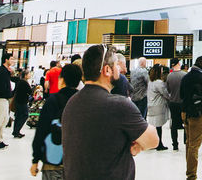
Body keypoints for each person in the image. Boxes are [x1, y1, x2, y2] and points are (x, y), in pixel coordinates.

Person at [60, 45, 158, 180]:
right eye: (116, 65)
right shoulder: (119, 105)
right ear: (107, 70)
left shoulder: (72, 103)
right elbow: (153, 139)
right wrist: (136, 145)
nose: (119, 68)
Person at [30, 63, 81, 180]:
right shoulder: (81, 101)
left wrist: (35, 160)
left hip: (53, 162)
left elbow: (41, 131)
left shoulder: (52, 101)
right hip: (76, 164)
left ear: (62, 80)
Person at [179, 56, 202, 180]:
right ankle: (191, 175)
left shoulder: (186, 76)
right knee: (194, 145)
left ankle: (189, 170)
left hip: (185, 112)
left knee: (189, 143)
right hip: (197, 113)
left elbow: (181, 94)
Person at [145, 65, 170, 151]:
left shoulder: (150, 82)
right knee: (158, 127)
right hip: (158, 107)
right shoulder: (159, 83)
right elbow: (165, 94)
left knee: (153, 126)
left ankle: (154, 144)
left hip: (151, 105)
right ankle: (159, 144)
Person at [166, 61, 186, 149]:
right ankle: (186, 141)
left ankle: (175, 144)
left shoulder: (169, 76)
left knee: (174, 124)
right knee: (185, 122)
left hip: (173, 102)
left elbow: (168, 90)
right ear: (178, 64)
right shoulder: (184, 75)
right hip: (183, 102)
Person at [12, 67, 32, 139]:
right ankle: (17, 131)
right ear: (25, 75)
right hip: (22, 101)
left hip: (18, 101)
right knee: (25, 115)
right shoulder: (24, 82)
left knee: (18, 116)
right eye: (29, 74)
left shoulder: (20, 81)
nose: (30, 75)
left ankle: (16, 131)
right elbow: (30, 91)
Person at [129, 58, 148, 122]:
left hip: (133, 97)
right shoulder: (144, 71)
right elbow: (148, 82)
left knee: (135, 116)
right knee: (142, 117)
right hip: (142, 97)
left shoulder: (132, 71)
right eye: (145, 63)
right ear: (143, 63)